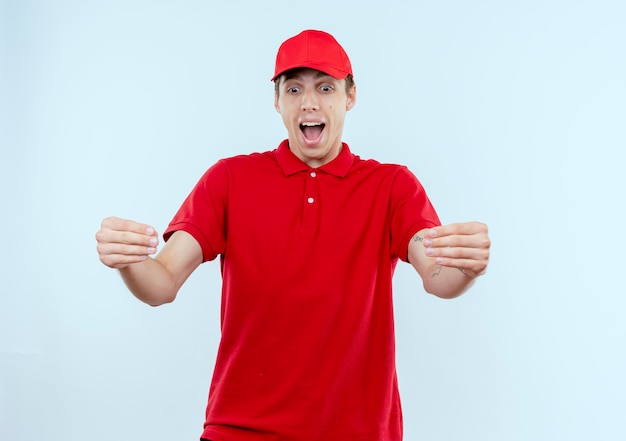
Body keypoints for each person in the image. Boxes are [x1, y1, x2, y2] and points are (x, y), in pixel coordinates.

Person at [96, 29, 490, 441]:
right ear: (277, 100)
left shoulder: (391, 186)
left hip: (357, 432)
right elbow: (162, 283)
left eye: (325, 87)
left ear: (349, 97)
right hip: (240, 429)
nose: (309, 102)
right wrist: (130, 262)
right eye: (294, 88)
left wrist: (466, 266)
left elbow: (437, 276)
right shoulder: (229, 180)